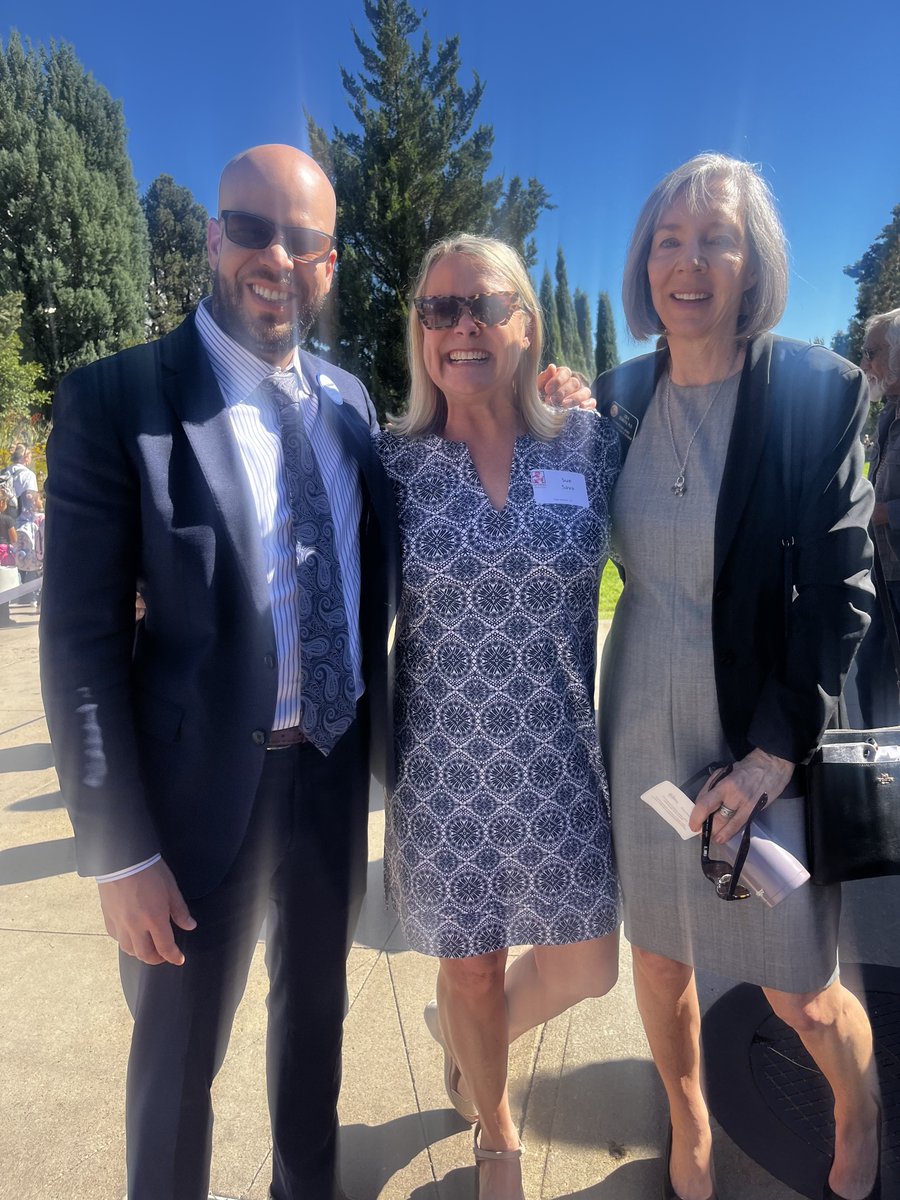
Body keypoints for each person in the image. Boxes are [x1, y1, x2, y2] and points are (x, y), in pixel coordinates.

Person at [40, 144, 401, 1200]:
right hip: (193, 803)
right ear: (211, 238)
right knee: (176, 1062)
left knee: (316, 1030)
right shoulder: (118, 401)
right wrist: (117, 851)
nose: (275, 257)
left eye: (304, 240)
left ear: (331, 263)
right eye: (251, 229)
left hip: (330, 775)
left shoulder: (350, 405)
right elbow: (80, 643)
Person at [595, 153, 880, 1200]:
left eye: (715, 237)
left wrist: (770, 754)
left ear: (753, 262)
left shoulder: (818, 390)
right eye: (668, 240)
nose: (690, 261)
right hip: (641, 733)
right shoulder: (616, 399)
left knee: (800, 987)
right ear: (643, 263)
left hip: (766, 739)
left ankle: (858, 1110)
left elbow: (846, 587)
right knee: (662, 959)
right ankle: (691, 1123)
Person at [377, 235, 620, 1200]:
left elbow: (679, 562)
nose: (461, 326)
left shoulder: (591, 445)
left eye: (483, 305)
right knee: (470, 969)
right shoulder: (389, 466)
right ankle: (498, 1137)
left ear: (526, 325)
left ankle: (467, 1041)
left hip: (560, 760)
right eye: (439, 311)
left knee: (589, 965)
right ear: (422, 337)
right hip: (445, 775)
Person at [854, 307, 900, 727]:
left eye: (873, 352)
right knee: (875, 680)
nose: (865, 364)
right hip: (885, 572)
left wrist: (872, 511)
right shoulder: (888, 412)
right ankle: (882, 783)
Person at [15, 488, 44, 608]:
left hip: (26, 554)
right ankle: (37, 599)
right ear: (34, 502)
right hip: (39, 552)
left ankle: (30, 597)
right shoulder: (41, 517)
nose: (42, 501)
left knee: (30, 574)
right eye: (40, 499)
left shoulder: (20, 518)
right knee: (40, 576)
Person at [7, 443, 38, 514]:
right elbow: (30, 498)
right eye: (30, 456)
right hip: (21, 518)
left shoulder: (4, 472)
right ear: (26, 457)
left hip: (4, 518)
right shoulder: (29, 475)